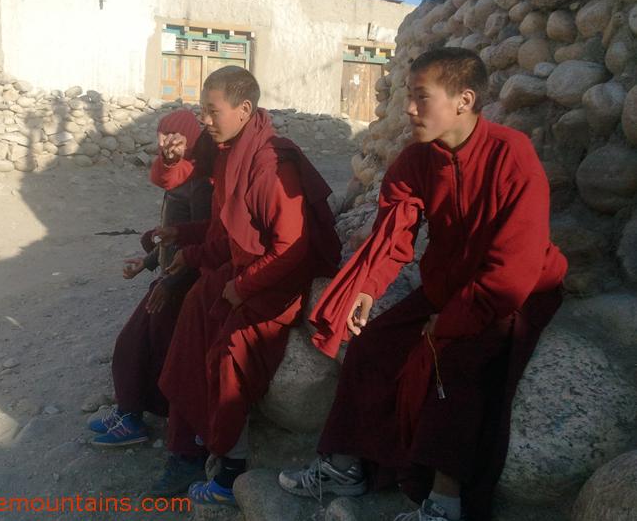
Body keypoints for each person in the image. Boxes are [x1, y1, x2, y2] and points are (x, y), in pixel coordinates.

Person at [278, 48, 567, 521]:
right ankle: (346, 465)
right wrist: (368, 287)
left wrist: (451, 321)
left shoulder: (512, 157)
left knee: (454, 361)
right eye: (408, 98)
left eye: (420, 98)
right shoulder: (419, 160)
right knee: (371, 347)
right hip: (449, 282)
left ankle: (445, 503)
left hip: (517, 288)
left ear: (464, 100)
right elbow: (394, 233)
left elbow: (514, 270)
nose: (409, 109)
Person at [154, 65, 343, 505]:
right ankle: (189, 442)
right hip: (247, 267)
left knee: (230, 352)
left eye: (212, 111)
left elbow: (292, 249)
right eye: (202, 111)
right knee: (192, 313)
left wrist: (242, 288)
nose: (205, 120)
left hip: (278, 280)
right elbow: (229, 230)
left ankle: (230, 469)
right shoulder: (232, 151)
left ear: (244, 109)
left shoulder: (272, 165)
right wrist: (189, 246)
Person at [88, 110, 212, 451]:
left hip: (183, 283)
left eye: (173, 135)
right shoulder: (180, 177)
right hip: (169, 277)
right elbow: (173, 237)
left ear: (189, 139)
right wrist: (146, 263)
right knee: (142, 343)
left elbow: (202, 244)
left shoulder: (200, 183)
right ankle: (131, 413)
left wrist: (169, 285)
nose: (163, 143)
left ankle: (136, 419)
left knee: (140, 343)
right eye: (161, 135)